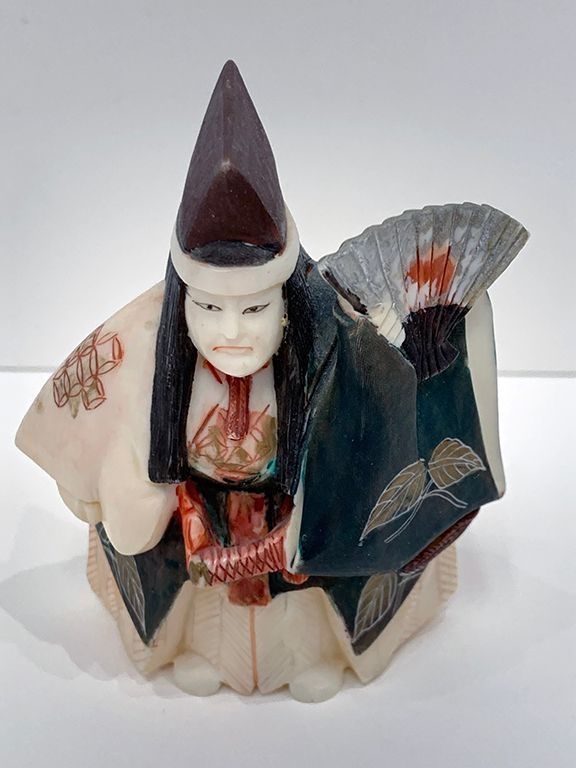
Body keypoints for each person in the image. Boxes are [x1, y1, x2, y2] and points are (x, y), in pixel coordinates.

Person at [16, 61, 527, 702]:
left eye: (255, 308)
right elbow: (84, 456)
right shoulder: (143, 343)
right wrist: (121, 488)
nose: (230, 331)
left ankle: (315, 654)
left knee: (313, 595)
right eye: (208, 307)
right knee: (185, 586)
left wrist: (398, 363)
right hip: (202, 521)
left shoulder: (333, 337)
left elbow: (385, 429)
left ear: (286, 299)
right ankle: (196, 647)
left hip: (299, 525)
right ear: (181, 300)